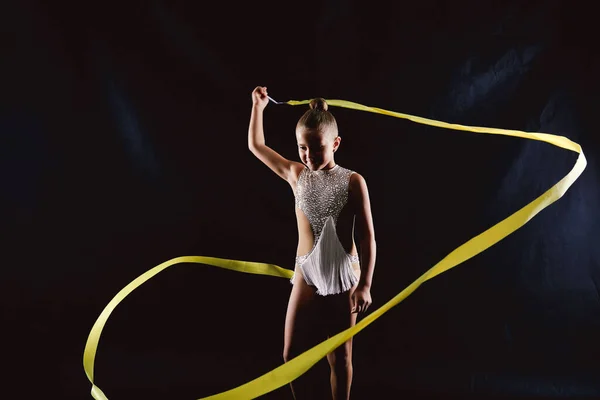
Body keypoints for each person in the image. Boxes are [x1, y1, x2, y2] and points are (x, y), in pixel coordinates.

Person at [248, 86, 376, 400]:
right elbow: (257, 145)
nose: (309, 156)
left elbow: (367, 236)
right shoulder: (296, 174)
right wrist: (258, 106)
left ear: (335, 143)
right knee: (290, 354)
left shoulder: (353, 181)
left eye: (317, 148)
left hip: (342, 274)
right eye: (303, 148)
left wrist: (365, 285)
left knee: (341, 356)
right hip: (305, 272)